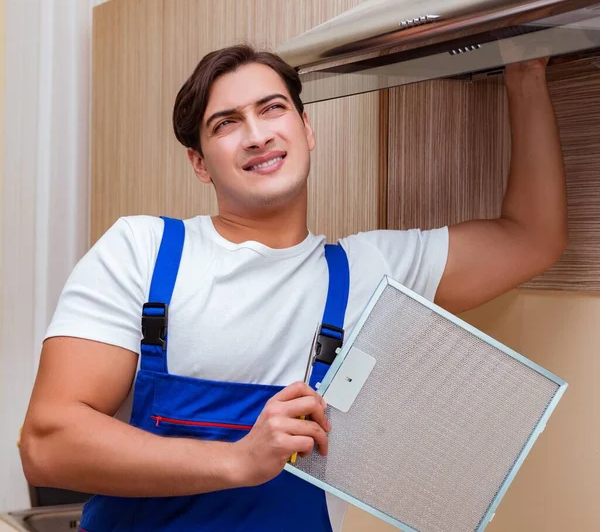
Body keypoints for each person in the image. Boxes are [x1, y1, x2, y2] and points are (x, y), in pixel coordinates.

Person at [19, 44, 567, 531]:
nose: (257, 135)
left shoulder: (370, 272)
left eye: (272, 108)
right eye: (226, 123)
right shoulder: (144, 251)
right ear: (199, 163)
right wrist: (239, 461)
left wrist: (525, 68)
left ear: (306, 129)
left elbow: (532, 238)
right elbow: (48, 444)